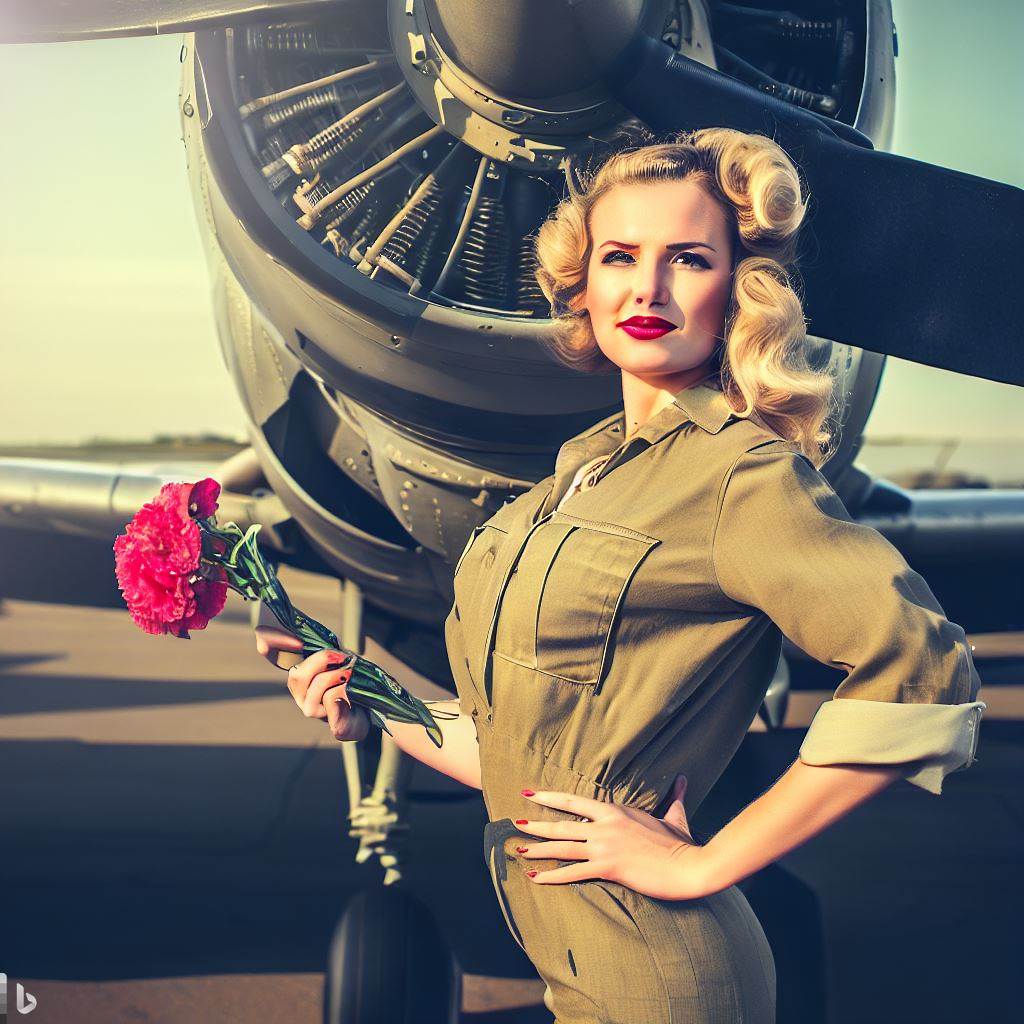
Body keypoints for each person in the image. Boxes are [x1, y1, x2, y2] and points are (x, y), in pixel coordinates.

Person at [255, 127, 986, 1023]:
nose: (647, 288)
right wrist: (358, 681)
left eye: (687, 257)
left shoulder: (741, 476)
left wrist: (705, 863)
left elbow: (924, 677)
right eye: (620, 256)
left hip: (662, 975)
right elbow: (513, 759)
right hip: (573, 960)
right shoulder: (565, 486)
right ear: (584, 283)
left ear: (740, 287)